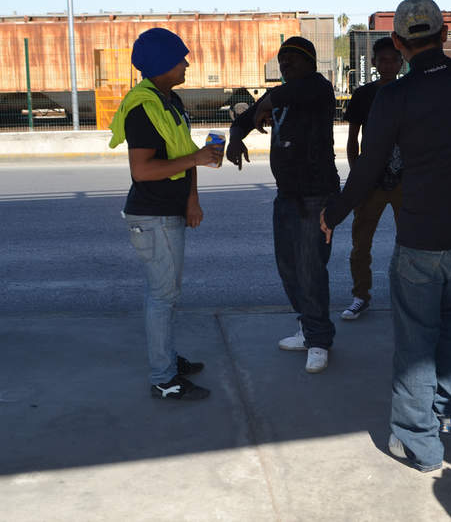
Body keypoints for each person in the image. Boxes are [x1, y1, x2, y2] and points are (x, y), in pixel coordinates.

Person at [321, 0, 451, 472]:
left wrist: (334, 213)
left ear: (399, 42)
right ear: (444, 34)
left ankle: (419, 444)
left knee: (415, 341)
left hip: (422, 238)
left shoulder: (395, 96)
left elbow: (370, 167)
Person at [109, 27, 222, 401]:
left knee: (165, 294)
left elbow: (184, 152)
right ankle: (164, 378)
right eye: (179, 59)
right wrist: (196, 159)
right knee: (163, 297)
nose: (186, 64)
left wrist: (192, 199)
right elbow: (141, 171)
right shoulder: (144, 109)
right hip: (152, 217)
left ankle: (168, 359)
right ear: (161, 64)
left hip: (168, 212)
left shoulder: (169, 101)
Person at [226, 36, 340, 374]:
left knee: (310, 269)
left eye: (292, 58)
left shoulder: (318, 88)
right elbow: (242, 121)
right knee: (288, 266)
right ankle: (307, 327)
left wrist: (268, 101)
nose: (285, 64)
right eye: (281, 60)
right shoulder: (280, 94)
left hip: (316, 195)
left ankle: (319, 340)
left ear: (310, 61)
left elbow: (282, 96)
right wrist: (235, 139)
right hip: (287, 194)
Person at [340, 36, 405, 321]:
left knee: (411, 244)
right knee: (361, 243)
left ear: (401, 62)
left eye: (393, 60)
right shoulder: (364, 95)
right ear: (374, 63)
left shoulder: (410, 90)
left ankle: (407, 296)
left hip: (406, 179)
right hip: (371, 181)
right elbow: (352, 139)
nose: (388, 65)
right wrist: (357, 175)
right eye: (382, 60)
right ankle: (360, 296)